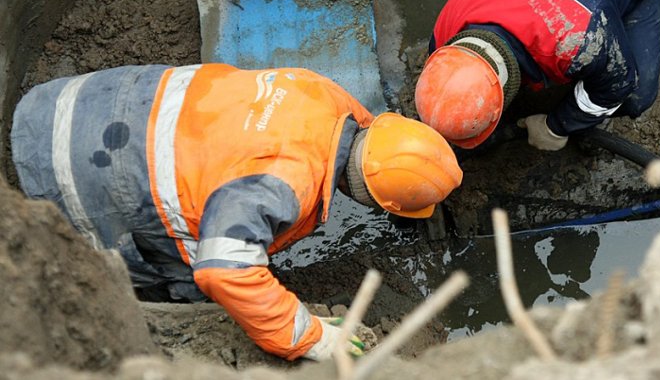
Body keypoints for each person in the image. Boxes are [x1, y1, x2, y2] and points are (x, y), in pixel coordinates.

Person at [11, 63, 462, 361]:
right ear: (371, 197)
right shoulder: (286, 183)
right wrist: (311, 336)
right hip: (69, 175)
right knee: (198, 276)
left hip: (77, 102)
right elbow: (224, 270)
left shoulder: (326, 94)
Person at [415, 0, 660, 151]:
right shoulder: (443, 32)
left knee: (637, 95)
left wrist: (556, 126)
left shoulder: (581, 40)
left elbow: (618, 84)